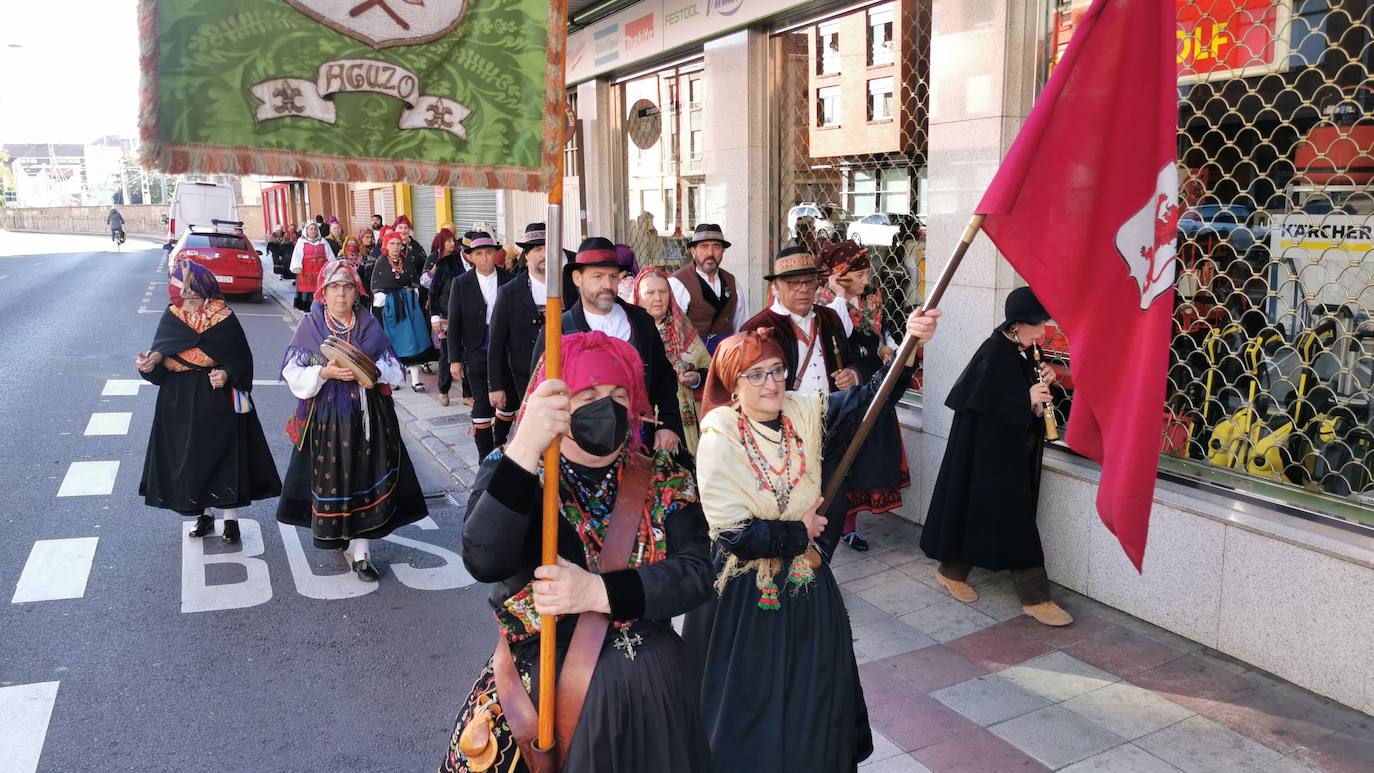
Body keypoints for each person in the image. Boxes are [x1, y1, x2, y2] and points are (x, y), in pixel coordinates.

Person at [439, 331, 712, 773]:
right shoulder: (516, 469)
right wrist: (525, 446)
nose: (607, 406)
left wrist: (597, 592)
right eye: (588, 393)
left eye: (619, 393)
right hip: (546, 690)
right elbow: (485, 560)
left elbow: (698, 573)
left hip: (656, 693)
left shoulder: (663, 476)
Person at [693, 307, 938, 773]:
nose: (771, 384)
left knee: (817, 684)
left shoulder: (803, 413)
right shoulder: (719, 438)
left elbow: (870, 400)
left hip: (808, 583)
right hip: (750, 594)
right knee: (758, 696)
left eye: (778, 370)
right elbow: (734, 535)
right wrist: (797, 532)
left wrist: (907, 349)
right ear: (734, 384)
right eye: (756, 375)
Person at [919, 287, 1073, 627]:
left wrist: (1041, 376)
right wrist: (1026, 399)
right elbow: (986, 405)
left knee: (974, 510)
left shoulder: (1022, 347)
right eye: (1039, 324)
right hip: (988, 456)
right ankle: (1036, 598)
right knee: (1013, 520)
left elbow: (1008, 392)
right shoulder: (994, 352)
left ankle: (951, 571)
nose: (1044, 331)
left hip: (1002, 454)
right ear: (1018, 324)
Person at [277, 261, 428, 581]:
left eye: (347, 287)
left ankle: (362, 554)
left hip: (368, 418)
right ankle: (337, 533)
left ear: (356, 292)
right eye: (334, 287)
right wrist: (324, 372)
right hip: (327, 420)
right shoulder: (311, 326)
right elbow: (293, 374)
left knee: (363, 479)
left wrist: (370, 375)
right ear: (323, 292)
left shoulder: (369, 325)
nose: (341, 294)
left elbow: (394, 371)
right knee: (333, 480)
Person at [137, 261, 281, 543]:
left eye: (194, 295)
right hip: (177, 401)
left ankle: (231, 521)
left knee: (225, 458)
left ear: (206, 292)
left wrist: (227, 373)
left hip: (216, 399)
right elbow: (159, 361)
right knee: (192, 461)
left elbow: (242, 360)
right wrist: (147, 367)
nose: (188, 301)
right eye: (184, 295)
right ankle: (203, 515)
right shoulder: (173, 317)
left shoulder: (223, 317)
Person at [531, 237, 684, 454]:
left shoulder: (641, 322)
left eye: (613, 276)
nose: (607, 284)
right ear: (577, 278)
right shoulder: (558, 330)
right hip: (577, 447)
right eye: (598, 276)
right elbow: (540, 391)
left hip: (639, 445)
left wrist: (669, 424)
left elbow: (665, 379)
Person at [815, 241, 908, 552]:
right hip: (841, 392)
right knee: (843, 459)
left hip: (869, 381)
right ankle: (834, 523)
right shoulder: (824, 303)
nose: (866, 281)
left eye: (867, 273)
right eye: (859, 274)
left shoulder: (873, 299)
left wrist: (888, 351)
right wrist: (840, 296)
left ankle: (849, 527)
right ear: (840, 275)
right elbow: (834, 336)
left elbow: (885, 335)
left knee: (864, 461)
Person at [741, 245, 871, 396]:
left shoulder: (830, 318)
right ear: (775, 286)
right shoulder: (756, 328)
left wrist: (852, 374)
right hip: (786, 416)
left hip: (833, 414)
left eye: (810, 282)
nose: (804, 289)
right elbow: (748, 387)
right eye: (794, 283)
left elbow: (854, 358)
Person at [447, 233, 514, 457]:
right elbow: (454, 323)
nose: (484, 258)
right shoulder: (461, 283)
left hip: (506, 350)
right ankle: (485, 456)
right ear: (470, 257)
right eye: (479, 254)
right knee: (482, 402)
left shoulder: (509, 279)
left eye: (488, 253)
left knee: (509, 401)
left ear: (495, 254)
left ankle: (499, 438)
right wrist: (454, 359)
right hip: (476, 349)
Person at [633, 268, 710, 456]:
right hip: (646, 425)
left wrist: (697, 378)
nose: (658, 298)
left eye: (663, 291)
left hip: (686, 422)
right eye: (650, 292)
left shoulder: (683, 330)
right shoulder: (630, 332)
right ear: (638, 296)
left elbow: (710, 368)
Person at [487, 222, 553, 436]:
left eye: (547, 247)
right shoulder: (509, 292)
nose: (544, 254)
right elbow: (496, 342)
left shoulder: (569, 286)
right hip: (524, 378)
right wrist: (495, 385)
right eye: (537, 249)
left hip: (564, 375)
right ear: (526, 256)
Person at [668, 223, 750, 354]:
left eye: (716, 247)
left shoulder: (732, 281)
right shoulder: (678, 282)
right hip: (693, 357)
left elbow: (742, 325)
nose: (710, 253)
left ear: (722, 252)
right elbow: (672, 330)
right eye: (704, 246)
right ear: (693, 251)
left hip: (726, 354)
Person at [372, 232, 437, 390]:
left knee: (413, 340)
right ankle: (395, 380)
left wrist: (411, 292)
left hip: (409, 307)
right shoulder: (381, 262)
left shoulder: (406, 261)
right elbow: (376, 286)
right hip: (391, 308)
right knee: (393, 343)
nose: (395, 247)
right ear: (385, 246)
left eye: (398, 244)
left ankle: (415, 381)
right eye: (392, 244)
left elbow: (414, 281)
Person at [428, 228, 466, 406]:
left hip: (471, 317)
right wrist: (434, 315)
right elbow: (433, 291)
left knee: (469, 355)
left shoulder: (479, 267)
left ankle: (468, 394)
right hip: (447, 315)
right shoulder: (444, 263)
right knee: (447, 354)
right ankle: (443, 390)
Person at [289, 222, 335, 312]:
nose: (313, 231)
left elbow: (330, 255)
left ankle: (321, 307)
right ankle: (307, 307)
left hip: (321, 270)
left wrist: (333, 266)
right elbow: (297, 255)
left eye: (315, 229)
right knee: (307, 290)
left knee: (320, 289)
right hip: (306, 271)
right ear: (307, 230)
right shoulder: (301, 241)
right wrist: (297, 266)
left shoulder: (323, 241)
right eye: (311, 229)